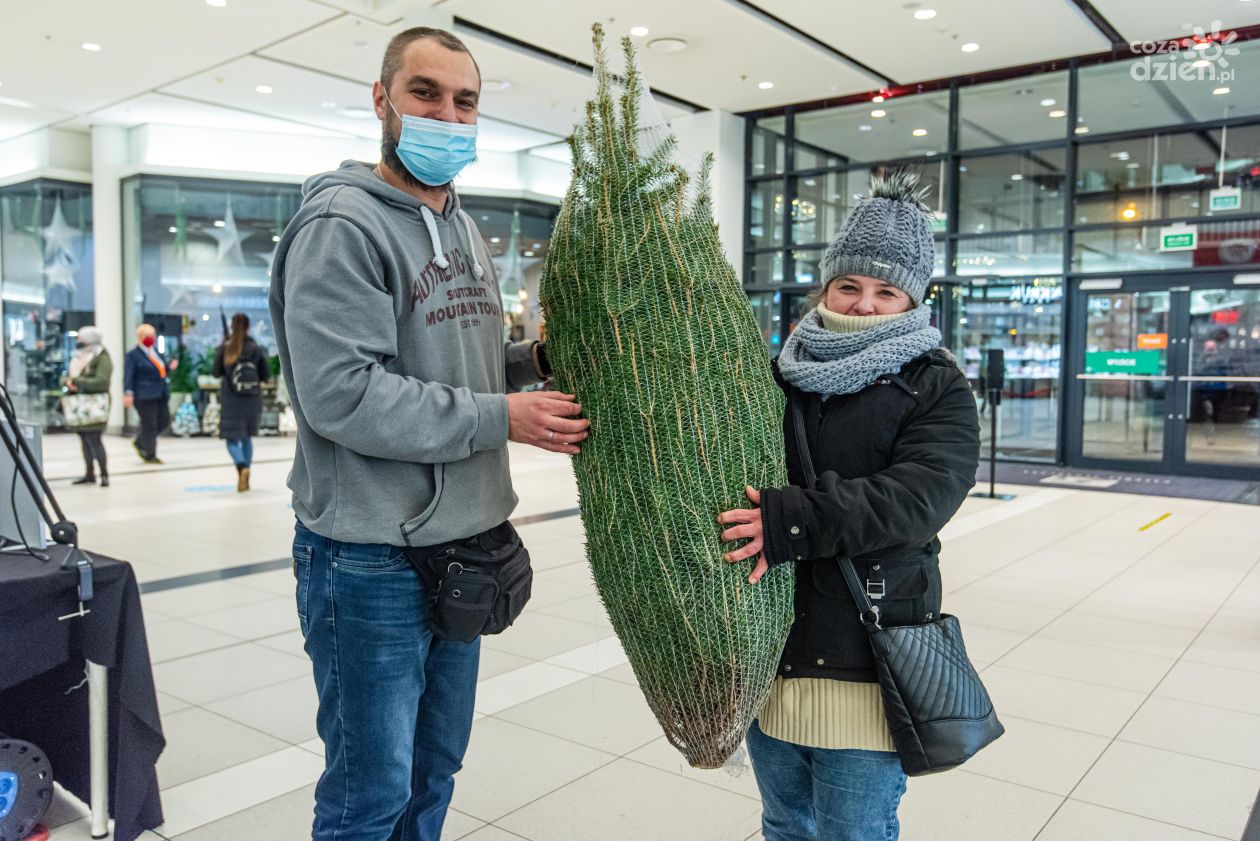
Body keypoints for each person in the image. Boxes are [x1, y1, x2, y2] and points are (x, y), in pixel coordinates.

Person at [269, 26, 588, 841]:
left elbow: (459, 359)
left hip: (463, 541)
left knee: (433, 769)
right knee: (369, 792)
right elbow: (342, 394)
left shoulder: (464, 228)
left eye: (465, 101)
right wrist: (500, 418)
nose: (447, 113)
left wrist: (530, 362)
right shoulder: (342, 225)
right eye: (426, 94)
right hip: (369, 555)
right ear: (382, 100)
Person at [718, 172, 980, 841]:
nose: (864, 304)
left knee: (853, 832)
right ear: (827, 287)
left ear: (915, 297)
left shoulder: (936, 385)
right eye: (849, 286)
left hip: (867, 661)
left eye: (886, 290)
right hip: (771, 656)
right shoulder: (782, 373)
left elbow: (915, 501)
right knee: (783, 823)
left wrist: (788, 520)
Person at [213, 313, 270, 491]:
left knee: (231, 439)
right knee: (246, 438)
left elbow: (215, 372)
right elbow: (265, 375)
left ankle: (241, 467)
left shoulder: (226, 348)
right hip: (252, 400)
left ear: (231, 326)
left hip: (231, 400)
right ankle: (247, 470)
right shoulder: (255, 348)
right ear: (248, 327)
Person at [64, 326, 112, 487]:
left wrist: (78, 382)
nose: (79, 342)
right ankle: (89, 473)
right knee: (84, 439)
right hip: (79, 405)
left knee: (94, 439)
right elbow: (68, 376)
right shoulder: (79, 357)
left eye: (82, 339)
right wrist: (68, 382)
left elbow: (102, 381)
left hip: (94, 406)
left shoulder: (102, 358)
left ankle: (104, 474)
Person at [123, 323, 173, 465]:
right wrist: (128, 392)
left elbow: (160, 371)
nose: (151, 339)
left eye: (153, 336)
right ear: (140, 337)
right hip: (144, 395)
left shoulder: (156, 352)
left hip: (160, 394)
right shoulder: (133, 355)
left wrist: (169, 367)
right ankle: (150, 454)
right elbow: (129, 375)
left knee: (163, 421)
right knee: (149, 425)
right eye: (148, 336)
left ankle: (140, 442)